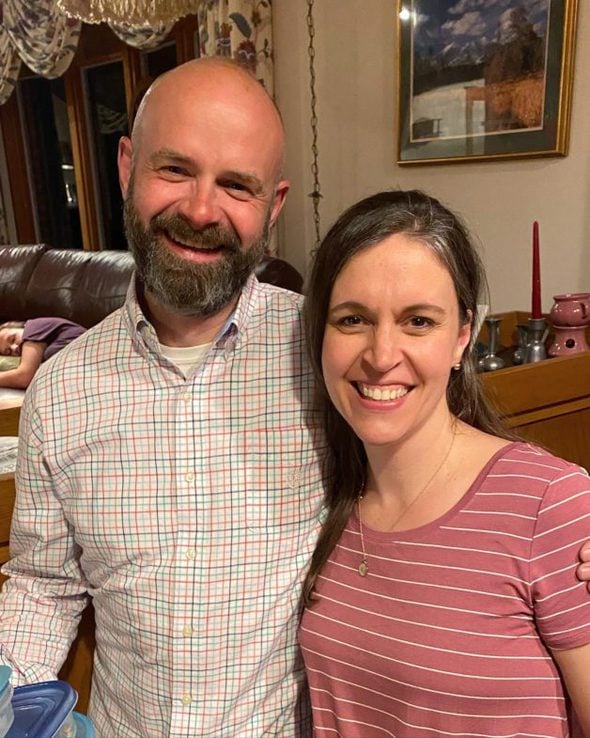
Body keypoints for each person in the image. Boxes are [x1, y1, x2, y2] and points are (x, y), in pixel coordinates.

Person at [0, 58, 326, 737]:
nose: (202, 210)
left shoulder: (326, 355)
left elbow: (434, 483)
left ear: (274, 205)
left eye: (237, 185)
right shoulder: (59, 392)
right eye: (174, 170)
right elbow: (45, 583)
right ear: (126, 166)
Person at [299, 189, 590, 737]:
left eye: (418, 322)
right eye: (353, 318)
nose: (382, 355)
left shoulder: (549, 504)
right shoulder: (326, 495)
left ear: (462, 338)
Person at [0, 318, 86, 389]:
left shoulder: (33, 327)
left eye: (12, 339)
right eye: (9, 351)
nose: (14, 348)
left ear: (23, 326)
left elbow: (24, 377)